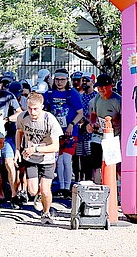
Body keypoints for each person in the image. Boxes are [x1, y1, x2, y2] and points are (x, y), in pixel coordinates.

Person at [15, 92, 63, 224]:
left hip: (47, 158)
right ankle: (38, 195)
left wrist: (35, 149)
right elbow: (19, 132)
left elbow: (55, 146)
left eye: (35, 108)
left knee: (45, 189)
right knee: (32, 190)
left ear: (41, 106)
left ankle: (46, 213)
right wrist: (18, 150)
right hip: (31, 158)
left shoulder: (49, 120)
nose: (32, 111)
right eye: (29, 108)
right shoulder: (22, 117)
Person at [44, 68, 83, 198]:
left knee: (67, 159)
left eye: (63, 80)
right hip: (55, 132)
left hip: (70, 131)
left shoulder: (73, 94)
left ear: (67, 80)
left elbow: (80, 113)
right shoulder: (49, 93)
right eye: (58, 79)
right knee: (59, 160)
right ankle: (61, 187)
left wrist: (72, 125)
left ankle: (67, 186)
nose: (60, 82)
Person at [0, 74, 23, 206]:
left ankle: (14, 195)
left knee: (9, 163)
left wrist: (6, 119)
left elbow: (19, 113)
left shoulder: (8, 96)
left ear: (0, 86)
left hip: (7, 136)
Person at [88, 74, 121, 184]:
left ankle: (118, 187)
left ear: (111, 86)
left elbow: (124, 120)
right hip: (99, 134)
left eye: (104, 87)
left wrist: (112, 122)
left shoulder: (117, 101)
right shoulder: (97, 98)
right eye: (99, 87)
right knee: (96, 162)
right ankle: (98, 184)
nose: (101, 89)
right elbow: (93, 113)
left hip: (115, 137)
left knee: (114, 164)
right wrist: (92, 123)